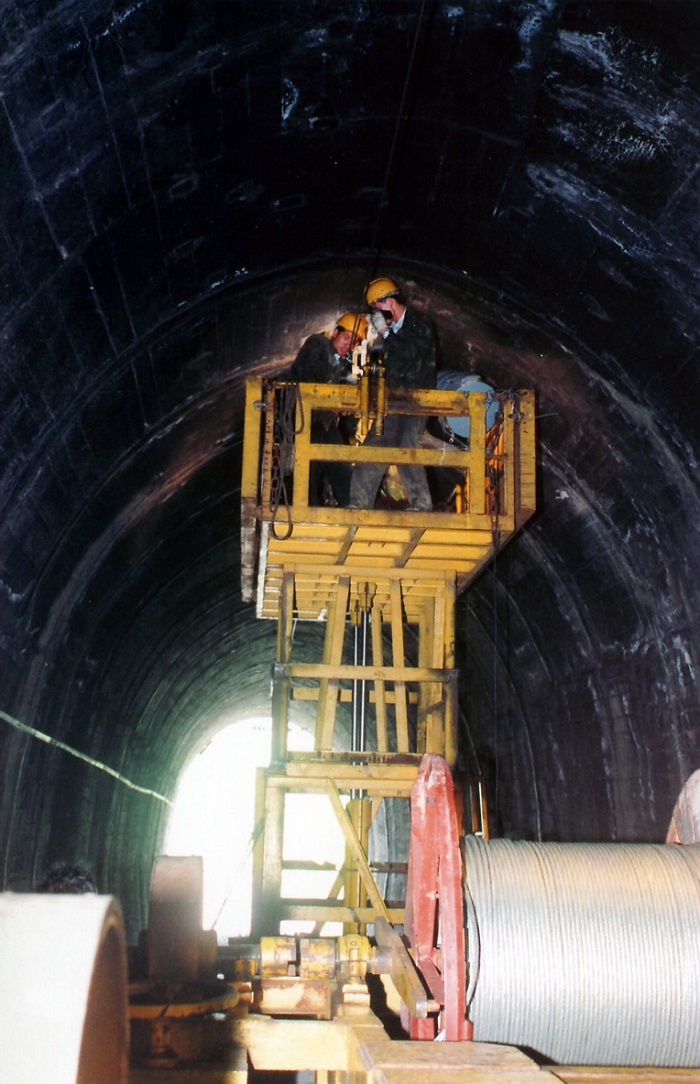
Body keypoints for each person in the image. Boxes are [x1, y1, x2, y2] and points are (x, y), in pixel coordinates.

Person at [348, 277, 437, 511]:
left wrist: (386, 332)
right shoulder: (394, 332)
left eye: (377, 307)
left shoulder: (419, 323)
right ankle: (358, 503)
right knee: (373, 447)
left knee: (405, 445)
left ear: (389, 301)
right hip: (393, 402)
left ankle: (422, 504)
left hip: (416, 400)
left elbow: (409, 354)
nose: (377, 314)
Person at [290, 313, 368, 505]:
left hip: (324, 421)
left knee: (335, 463)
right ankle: (312, 508)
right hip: (307, 418)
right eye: (346, 337)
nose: (348, 345)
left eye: (354, 342)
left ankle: (352, 506)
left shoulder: (341, 362)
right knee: (314, 467)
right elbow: (315, 376)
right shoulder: (317, 344)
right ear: (335, 332)